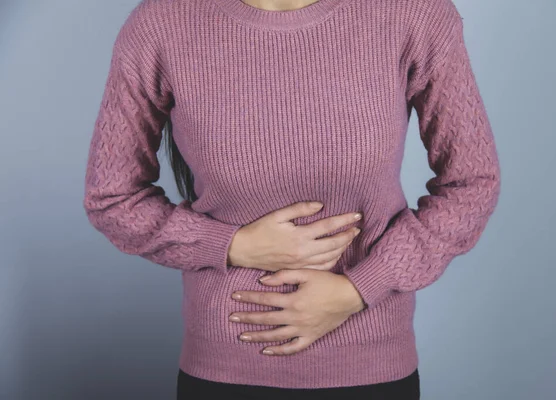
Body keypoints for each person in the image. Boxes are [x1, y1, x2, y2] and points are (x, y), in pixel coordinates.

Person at [82, 0, 501, 398]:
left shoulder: (413, 13)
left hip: (372, 370)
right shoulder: (161, 25)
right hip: (224, 372)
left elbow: (472, 182)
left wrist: (358, 289)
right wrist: (232, 245)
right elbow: (112, 196)